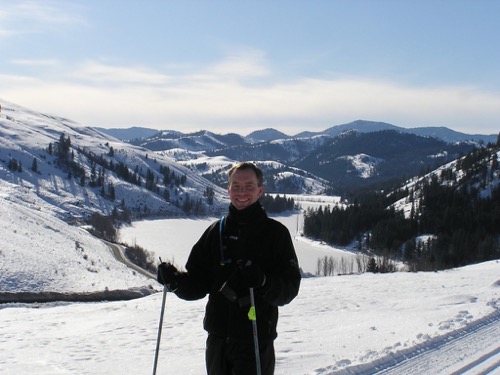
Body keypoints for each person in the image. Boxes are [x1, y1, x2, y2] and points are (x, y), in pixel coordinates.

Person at [157, 161, 301, 375]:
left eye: (249, 186)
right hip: (218, 340)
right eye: (236, 186)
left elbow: (289, 289)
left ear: (260, 190)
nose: (242, 192)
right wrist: (175, 281)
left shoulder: (275, 234)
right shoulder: (216, 232)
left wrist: (264, 282)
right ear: (228, 189)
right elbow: (198, 283)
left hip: (255, 339)